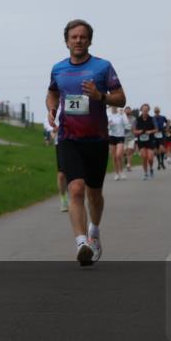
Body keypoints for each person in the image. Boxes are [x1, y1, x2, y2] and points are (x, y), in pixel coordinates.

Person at [46, 19, 126, 267]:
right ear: (66, 41)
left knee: (94, 193)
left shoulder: (103, 67)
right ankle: (81, 243)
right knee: (76, 189)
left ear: (89, 40)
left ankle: (94, 231)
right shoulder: (58, 68)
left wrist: (100, 96)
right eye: (74, 37)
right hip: (69, 138)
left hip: (97, 139)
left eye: (83, 37)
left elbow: (121, 99)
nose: (78, 40)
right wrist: (51, 109)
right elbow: (52, 93)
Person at [133, 104, 158, 180]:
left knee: (150, 158)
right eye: (144, 110)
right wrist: (138, 131)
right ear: (141, 110)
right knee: (144, 157)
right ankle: (145, 173)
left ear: (148, 110)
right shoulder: (137, 119)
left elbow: (156, 129)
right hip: (141, 141)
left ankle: (151, 168)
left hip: (150, 140)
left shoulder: (152, 119)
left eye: (146, 110)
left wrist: (150, 131)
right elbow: (133, 130)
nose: (145, 111)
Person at [107, 106, 128, 180]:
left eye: (115, 105)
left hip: (120, 136)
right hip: (112, 136)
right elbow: (105, 126)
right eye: (112, 105)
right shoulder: (108, 114)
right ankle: (116, 173)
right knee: (114, 157)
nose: (113, 107)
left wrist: (123, 115)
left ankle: (121, 171)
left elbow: (126, 124)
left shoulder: (121, 113)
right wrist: (108, 125)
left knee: (118, 155)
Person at [123, 106, 136, 173]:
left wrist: (135, 132)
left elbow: (135, 127)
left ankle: (128, 165)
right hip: (123, 137)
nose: (128, 111)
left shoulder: (134, 119)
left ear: (131, 111)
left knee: (130, 150)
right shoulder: (122, 118)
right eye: (127, 110)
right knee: (125, 151)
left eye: (129, 110)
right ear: (124, 111)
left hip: (131, 137)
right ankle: (125, 157)